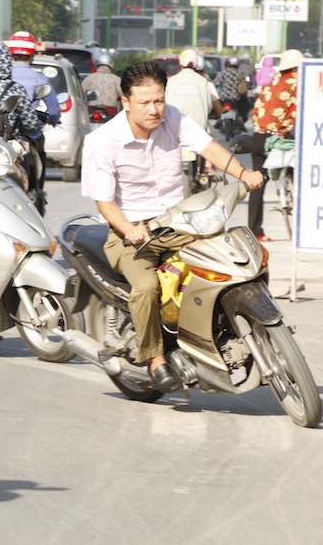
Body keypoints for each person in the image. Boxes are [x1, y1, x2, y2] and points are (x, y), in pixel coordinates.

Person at [81, 61, 264, 391]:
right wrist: (130, 229)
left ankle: (237, 334)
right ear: (126, 103)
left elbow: (209, 147)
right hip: (131, 233)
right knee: (147, 287)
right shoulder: (103, 141)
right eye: (145, 103)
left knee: (231, 260)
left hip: (181, 222)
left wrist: (243, 174)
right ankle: (154, 358)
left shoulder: (174, 118)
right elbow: (105, 203)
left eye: (159, 100)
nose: (154, 110)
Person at [248, 48, 303, 242]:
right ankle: (302, 221)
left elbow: (255, 112)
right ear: (298, 67)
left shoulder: (271, 83)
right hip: (278, 140)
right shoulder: (297, 84)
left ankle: (255, 231)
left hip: (258, 137)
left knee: (257, 183)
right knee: (301, 173)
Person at [6, 30, 58, 194]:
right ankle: (37, 190)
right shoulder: (39, 79)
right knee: (39, 150)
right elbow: (54, 111)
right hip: (28, 132)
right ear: (32, 54)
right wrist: (53, 119)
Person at [165, 48, 223, 132]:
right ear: (195, 65)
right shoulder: (204, 82)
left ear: (180, 64)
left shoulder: (170, 81)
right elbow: (209, 107)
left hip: (173, 131)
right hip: (199, 132)